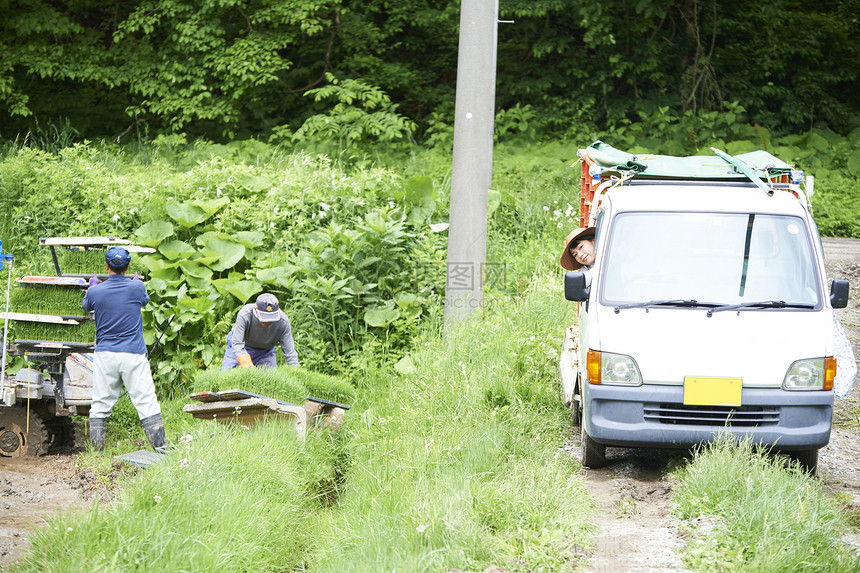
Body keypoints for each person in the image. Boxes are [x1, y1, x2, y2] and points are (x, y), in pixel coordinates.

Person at [82, 246, 164, 451]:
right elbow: (144, 300)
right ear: (127, 267)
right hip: (133, 354)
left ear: (106, 266)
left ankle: (97, 453)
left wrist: (92, 286)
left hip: (105, 355)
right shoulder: (137, 288)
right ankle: (161, 448)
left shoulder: (95, 291)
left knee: (100, 403)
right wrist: (137, 283)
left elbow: (86, 306)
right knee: (146, 401)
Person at [221, 293, 299, 370]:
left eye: (271, 317)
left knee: (270, 381)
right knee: (227, 378)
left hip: (265, 352)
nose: (268, 321)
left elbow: (290, 353)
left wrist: (297, 374)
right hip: (241, 345)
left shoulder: (283, 321)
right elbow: (237, 344)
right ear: (256, 310)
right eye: (265, 317)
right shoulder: (245, 314)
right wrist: (251, 370)